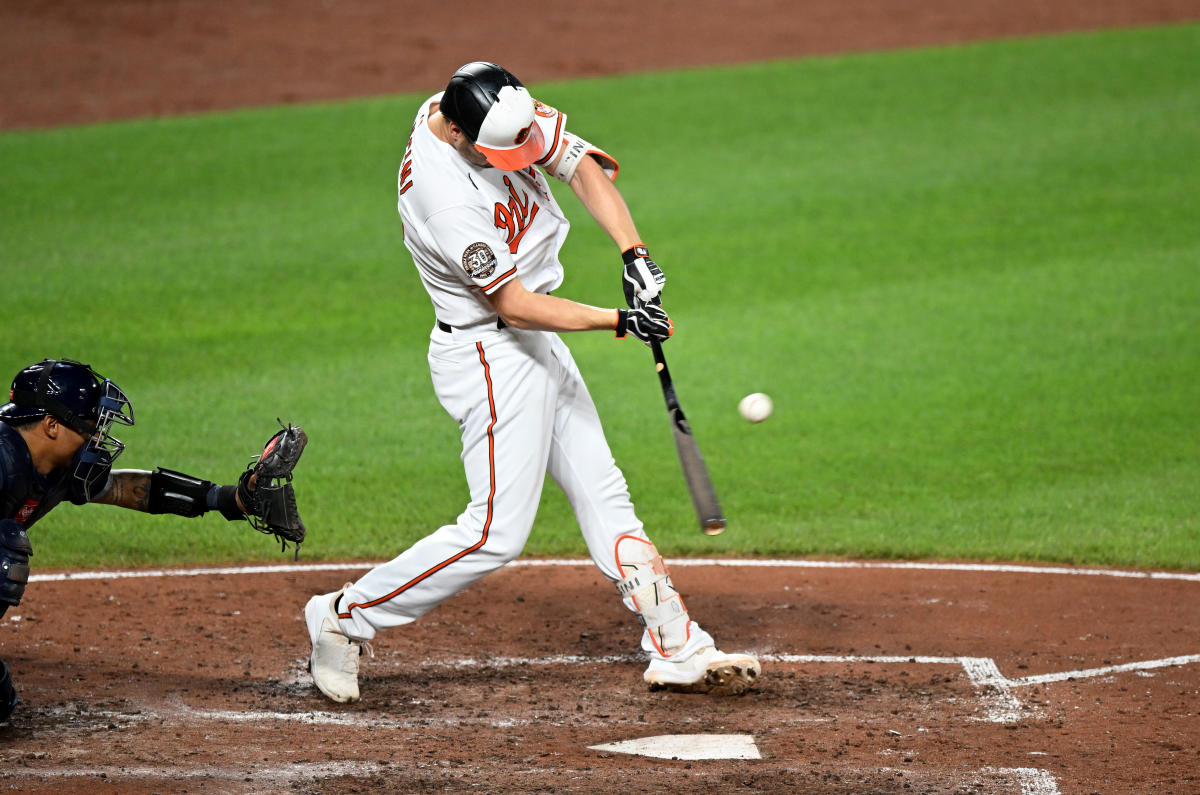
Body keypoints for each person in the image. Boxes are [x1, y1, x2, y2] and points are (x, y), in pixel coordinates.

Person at [303, 62, 761, 704]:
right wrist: (619, 319)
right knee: (494, 532)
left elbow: (577, 164)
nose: (519, 156)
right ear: (460, 134)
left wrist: (635, 256)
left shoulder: (487, 102)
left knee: (605, 493)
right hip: (490, 355)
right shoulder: (443, 196)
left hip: (534, 341)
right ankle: (342, 618)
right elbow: (514, 305)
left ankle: (676, 642)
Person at [0, 357, 307, 724]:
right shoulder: (4, 460)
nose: (97, 438)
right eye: (89, 427)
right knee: (5, 551)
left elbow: (123, 489)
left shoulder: (61, 465)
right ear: (51, 425)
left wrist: (228, 499)